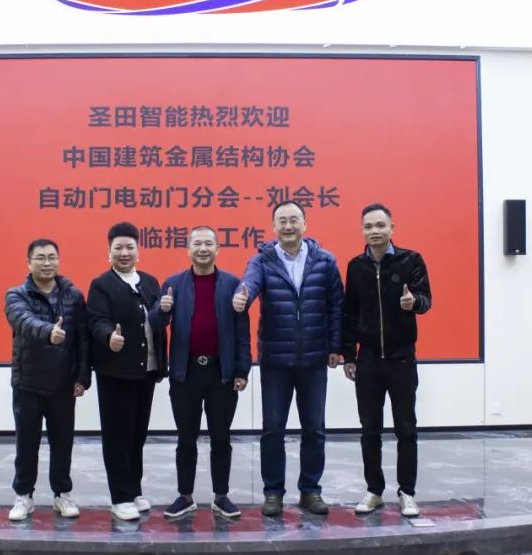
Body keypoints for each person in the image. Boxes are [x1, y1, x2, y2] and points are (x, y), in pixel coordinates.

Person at [232, 201, 344, 516]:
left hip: (314, 359)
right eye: (282, 221)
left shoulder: (324, 260)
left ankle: (310, 490)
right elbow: (249, 283)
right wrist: (243, 295)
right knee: (273, 429)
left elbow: (337, 305)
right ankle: (273, 493)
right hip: (276, 361)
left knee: (314, 428)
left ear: (304, 224)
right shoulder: (262, 260)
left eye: (294, 220)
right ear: (274, 226)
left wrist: (335, 346)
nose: (288, 226)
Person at [149, 226, 251, 519]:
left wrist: (242, 369)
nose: (203, 248)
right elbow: (155, 322)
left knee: (221, 437)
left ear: (217, 249)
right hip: (186, 372)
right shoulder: (173, 284)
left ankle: (221, 495)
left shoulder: (232, 284)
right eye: (197, 244)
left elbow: (242, 332)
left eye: (208, 244)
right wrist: (163, 310)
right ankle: (185, 495)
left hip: (222, 373)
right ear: (188, 250)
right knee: (186, 438)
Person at [341, 203, 432, 518]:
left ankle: (407, 493)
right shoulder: (355, 267)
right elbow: (350, 313)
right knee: (370, 429)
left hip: (402, 360)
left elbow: (426, 300)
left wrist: (413, 302)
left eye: (380, 225)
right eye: (368, 226)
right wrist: (349, 356)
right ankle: (374, 491)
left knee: (406, 429)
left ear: (392, 227)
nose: (374, 231)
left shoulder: (411, 260)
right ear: (362, 231)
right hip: (367, 361)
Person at [4, 238, 91, 521]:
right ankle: (23, 496)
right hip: (28, 383)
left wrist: (82, 377)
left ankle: (62, 494)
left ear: (58, 260)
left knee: (63, 443)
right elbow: (22, 321)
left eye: (52, 257)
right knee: (26, 444)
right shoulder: (17, 295)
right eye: (40, 257)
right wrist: (48, 332)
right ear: (29, 262)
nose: (46, 262)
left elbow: (82, 339)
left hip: (63, 384)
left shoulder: (73, 295)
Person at [87, 222, 168, 521]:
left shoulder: (150, 282)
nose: (124, 253)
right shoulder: (101, 285)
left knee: (137, 434)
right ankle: (120, 497)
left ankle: (134, 489)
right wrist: (109, 336)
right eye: (118, 248)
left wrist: (167, 311)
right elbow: (96, 320)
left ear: (138, 251)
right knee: (117, 436)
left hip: (146, 370)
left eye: (129, 247)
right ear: (109, 252)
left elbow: (158, 320)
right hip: (116, 371)